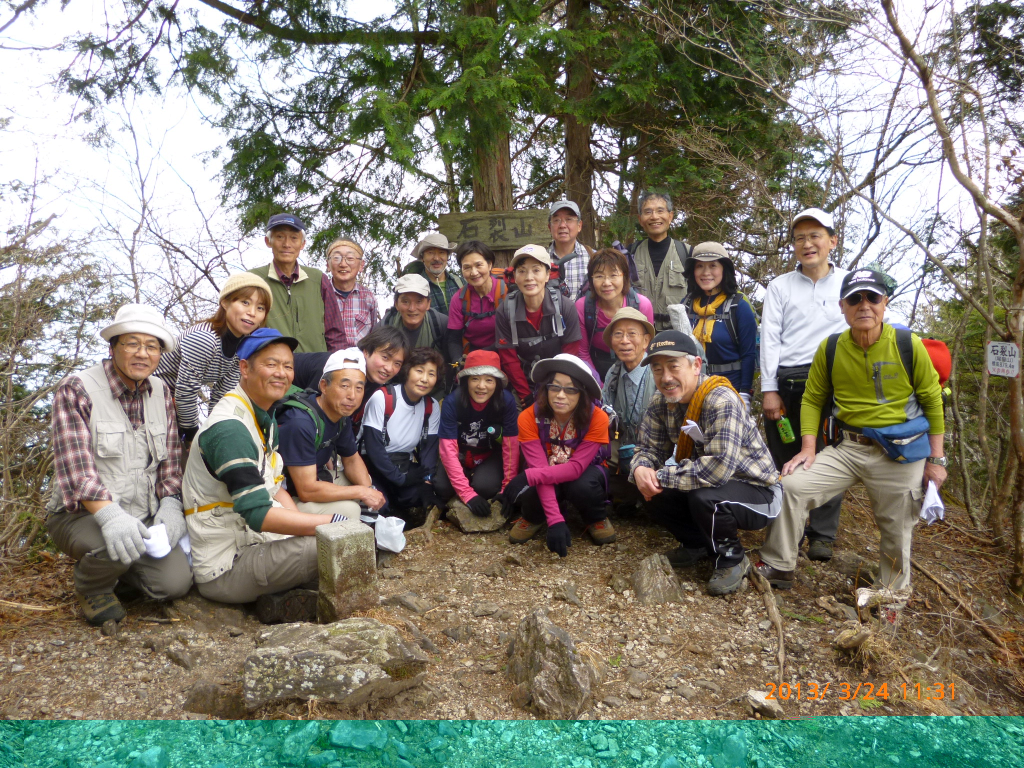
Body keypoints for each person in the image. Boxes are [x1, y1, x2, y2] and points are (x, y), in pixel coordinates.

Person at [756, 269, 946, 598]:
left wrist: (936, 459)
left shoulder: (906, 345)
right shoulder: (831, 348)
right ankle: (778, 564)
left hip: (899, 453)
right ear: (842, 306)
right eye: (855, 299)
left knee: (896, 528)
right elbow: (813, 398)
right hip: (848, 447)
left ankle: (890, 596)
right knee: (791, 487)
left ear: (884, 303)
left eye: (872, 297)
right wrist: (808, 447)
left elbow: (932, 401)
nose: (864, 305)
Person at [183, 328, 348, 623]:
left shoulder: (262, 415)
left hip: (254, 540)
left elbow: (275, 486)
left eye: (287, 366)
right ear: (244, 367)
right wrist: (327, 524)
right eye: (271, 364)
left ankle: (281, 600)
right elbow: (258, 513)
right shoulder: (230, 428)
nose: (281, 374)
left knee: (336, 530)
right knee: (330, 543)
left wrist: (299, 523)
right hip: (225, 564)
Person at [47, 304, 192, 626]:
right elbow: (78, 472)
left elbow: (169, 465)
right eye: (132, 343)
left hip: (142, 513)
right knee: (111, 545)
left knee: (175, 584)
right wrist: (112, 517)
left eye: (152, 346)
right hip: (84, 514)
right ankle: (93, 585)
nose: (143, 353)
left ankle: (122, 571)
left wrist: (170, 505)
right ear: (113, 347)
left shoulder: (162, 392)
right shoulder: (77, 389)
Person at [630, 331, 782, 596]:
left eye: (673, 366)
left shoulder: (720, 399)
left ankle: (732, 558)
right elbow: (648, 449)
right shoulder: (661, 402)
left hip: (759, 491)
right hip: (713, 485)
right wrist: (641, 469)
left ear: (696, 365)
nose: (666, 378)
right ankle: (696, 544)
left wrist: (661, 476)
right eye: (657, 369)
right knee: (650, 489)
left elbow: (718, 469)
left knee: (705, 497)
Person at [760, 208, 850, 562]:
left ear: (832, 240)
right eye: (800, 238)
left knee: (831, 457)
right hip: (788, 383)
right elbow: (769, 338)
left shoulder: (849, 283)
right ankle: (788, 531)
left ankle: (823, 534)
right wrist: (769, 388)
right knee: (784, 455)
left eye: (816, 236)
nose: (808, 244)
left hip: (834, 383)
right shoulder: (780, 286)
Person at [506, 354, 615, 555]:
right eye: (554, 387)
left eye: (571, 389)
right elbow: (540, 468)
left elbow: (575, 469)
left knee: (583, 485)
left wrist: (527, 476)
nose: (560, 395)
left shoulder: (598, 418)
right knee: (533, 490)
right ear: (545, 389)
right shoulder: (528, 417)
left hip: (585, 472)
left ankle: (595, 516)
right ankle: (534, 516)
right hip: (545, 469)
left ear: (582, 393)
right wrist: (555, 520)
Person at [155, 273, 272, 444]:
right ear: (225, 302)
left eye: (260, 308)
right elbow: (185, 392)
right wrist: (193, 437)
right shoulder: (204, 339)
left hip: (176, 406)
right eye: (245, 302)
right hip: (154, 396)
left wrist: (216, 430)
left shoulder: (241, 347)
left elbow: (222, 395)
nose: (252, 312)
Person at [275, 348, 386, 525]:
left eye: (359, 388)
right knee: (350, 510)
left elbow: (351, 459)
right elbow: (307, 490)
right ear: (324, 386)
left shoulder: (340, 415)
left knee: (366, 486)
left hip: (317, 477)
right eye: (344, 386)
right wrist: (361, 493)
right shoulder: (300, 422)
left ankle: (364, 532)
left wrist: (369, 491)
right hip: (286, 497)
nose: (352, 396)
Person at [360, 347, 443, 528]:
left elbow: (429, 448)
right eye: (419, 371)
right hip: (372, 466)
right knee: (380, 505)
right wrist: (400, 479)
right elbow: (374, 449)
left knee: (419, 495)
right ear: (407, 371)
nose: (424, 379)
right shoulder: (383, 398)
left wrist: (427, 482)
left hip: (402, 463)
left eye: (431, 374)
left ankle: (400, 503)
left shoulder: (431, 406)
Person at [434, 350, 520, 518]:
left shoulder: (506, 401)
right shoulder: (453, 402)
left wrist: (507, 488)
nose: (482, 386)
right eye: (475, 379)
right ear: (466, 381)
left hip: (489, 454)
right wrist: (467, 494)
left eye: (489, 380)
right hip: (460, 454)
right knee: (442, 487)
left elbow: (511, 446)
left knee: (486, 487)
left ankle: (474, 481)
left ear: (497, 383)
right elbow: (447, 450)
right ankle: (462, 483)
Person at [495, 244, 583, 403]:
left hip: (560, 380)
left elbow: (570, 354)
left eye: (536, 270)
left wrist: (554, 390)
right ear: (514, 276)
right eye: (522, 271)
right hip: (524, 380)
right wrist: (526, 395)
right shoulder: (505, 311)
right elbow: (509, 359)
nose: (529, 277)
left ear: (548, 274)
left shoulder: (565, 307)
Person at [291, 325, 409, 433]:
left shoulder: (374, 377)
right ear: (366, 351)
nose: (389, 368)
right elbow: (309, 414)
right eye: (385, 357)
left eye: (397, 364)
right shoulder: (339, 369)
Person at [682, 242, 758, 405]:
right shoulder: (686, 305)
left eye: (713, 266)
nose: (706, 272)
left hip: (730, 391)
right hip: (693, 391)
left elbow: (748, 354)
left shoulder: (739, 306)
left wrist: (744, 393)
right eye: (700, 266)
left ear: (724, 269)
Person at [601, 307, 656, 509]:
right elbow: (606, 407)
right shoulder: (613, 373)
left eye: (632, 333)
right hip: (624, 445)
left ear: (646, 340)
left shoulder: (659, 371)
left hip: (658, 448)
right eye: (618, 334)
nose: (625, 341)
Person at [248, 212, 327, 353]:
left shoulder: (318, 279)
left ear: (302, 244)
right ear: (268, 241)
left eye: (294, 238)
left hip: (315, 367)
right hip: (270, 365)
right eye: (279, 237)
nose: (286, 244)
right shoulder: (254, 279)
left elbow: (335, 330)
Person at [576, 247, 655, 383]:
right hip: (595, 370)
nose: (607, 283)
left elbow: (646, 349)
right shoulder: (582, 307)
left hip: (634, 369)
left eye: (613, 275)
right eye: (599, 276)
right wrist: (599, 387)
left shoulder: (642, 305)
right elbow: (582, 352)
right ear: (591, 279)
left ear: (624, 276)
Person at [376, 273, 450, 395]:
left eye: (419, 301)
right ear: (396, 304)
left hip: (432, 395)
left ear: (428, 304)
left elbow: (448, 365)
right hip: (391, 395)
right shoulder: (384, 327)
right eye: (405, 301)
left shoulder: (440, 324)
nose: (412, 308)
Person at [630, 192, 693, 331]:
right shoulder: (630, 254)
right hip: (640, 334)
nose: (654, 217)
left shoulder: (688, 254)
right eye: (648, 212)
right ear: (640, 219)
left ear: (670, 216)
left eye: (660, 211)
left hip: (677, 336)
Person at [447, 241, 507, 364]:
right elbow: (454, 339)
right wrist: (457, 362)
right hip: (470, 354)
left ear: (490, 265)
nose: (474, 273)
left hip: (504, 351)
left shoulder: (506, 292)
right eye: (467, 267)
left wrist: (480, 357)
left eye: (479, 265)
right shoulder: (459, 299)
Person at [321, 238, 379, 351]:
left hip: (360, 361)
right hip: (326, 360)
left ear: (361, 265)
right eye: (337, 258)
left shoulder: (368, 297)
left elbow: (373, 335)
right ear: (328, 264)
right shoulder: (319, 294)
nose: (343, 264)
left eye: (350, 258)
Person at [402, 232, 465, 314]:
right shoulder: (413, 286)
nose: (436, 258)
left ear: (447, 257)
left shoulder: (460, 283)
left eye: (441, 252)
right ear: (422, 257)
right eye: (430, 253)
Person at [547, 200, 592, 300]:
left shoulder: (594, 257)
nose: (562, 225)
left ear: (579, 226)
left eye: (569, 219)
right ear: (550, 227)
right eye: (556, 220)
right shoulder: (540, 260)